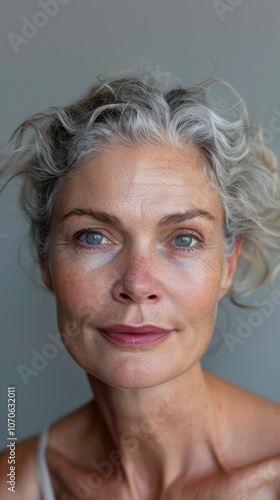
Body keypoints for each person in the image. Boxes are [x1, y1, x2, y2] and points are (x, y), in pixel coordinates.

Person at [0, 66, 280, 499]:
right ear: (46, 261)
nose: (137, 283)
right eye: (93, 236)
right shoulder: (15, 482)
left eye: (184, 239)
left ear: (228, 266)